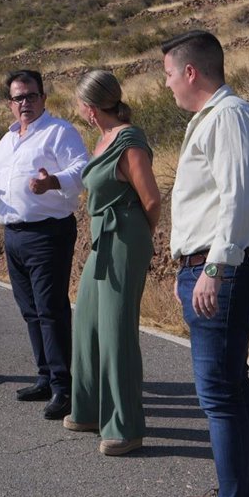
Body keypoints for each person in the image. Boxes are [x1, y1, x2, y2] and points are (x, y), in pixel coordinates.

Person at [161, 30, 249, 497]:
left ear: (190, 72)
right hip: (219, 265)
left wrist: (212, 266)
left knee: (220, 397)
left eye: (168, 74)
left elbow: (238, 200)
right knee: (232, 387)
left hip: (225, 267)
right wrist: (193, 265)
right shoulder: (217, 117)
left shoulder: (229, 117)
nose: (167, 85)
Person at [0, 70, 88, 420]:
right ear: (10, 104)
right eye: (18, 98)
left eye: (31, 96)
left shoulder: (59, 131)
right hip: (14, 235)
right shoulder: (8, 140)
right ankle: (45, 377)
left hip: (48, 233)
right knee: (31, 310)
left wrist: (53, 182)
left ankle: (64, 387)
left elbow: (83, 168)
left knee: (50, 310)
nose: (25, 103)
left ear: (43, 98)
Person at [64, 70, 161, 457]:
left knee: (117, 332)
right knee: (87, 322)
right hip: (102, 238)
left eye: (78, 103)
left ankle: (125, 427)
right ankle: (88, 410)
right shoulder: (103, 139)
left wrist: (138, 238)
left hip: (124, 237)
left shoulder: (129, 140)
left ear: (89, 108)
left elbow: (151, 200)